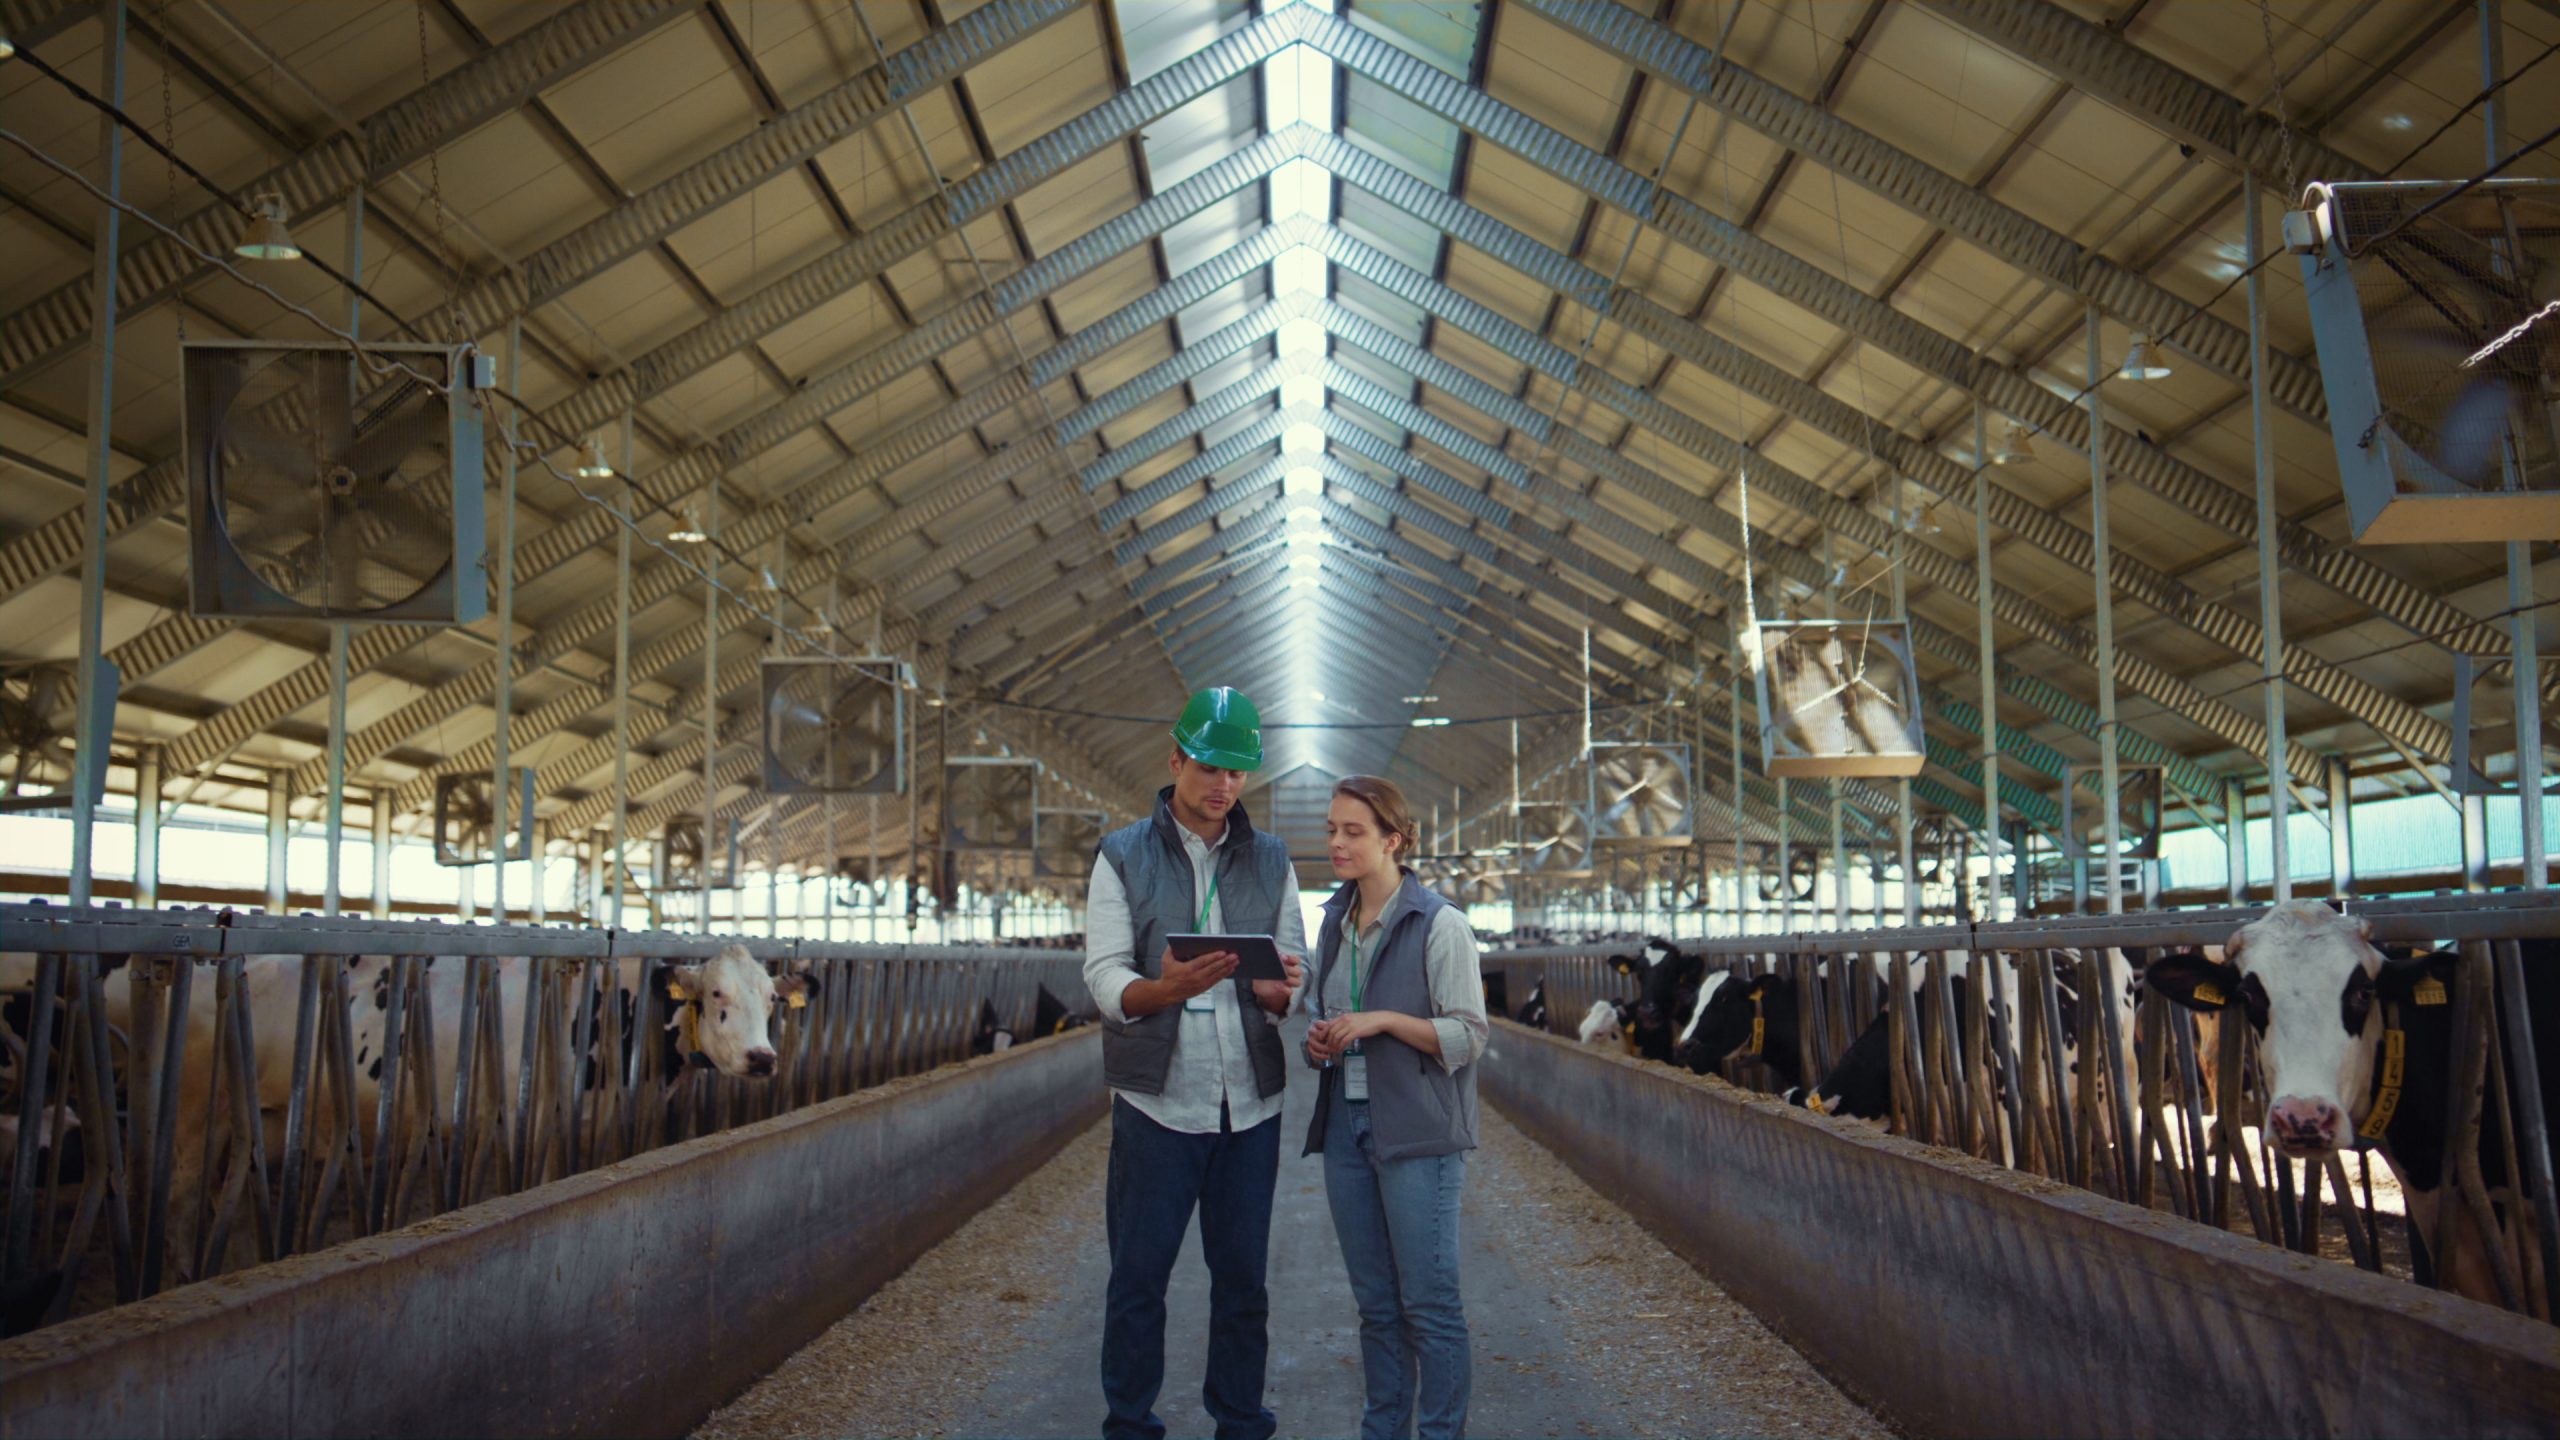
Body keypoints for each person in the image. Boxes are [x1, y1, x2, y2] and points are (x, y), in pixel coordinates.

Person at [1082, 686, 1307, 1440]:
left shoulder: (1272, 860)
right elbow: (1105, 974)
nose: (1224, 787)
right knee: (1139, 1278)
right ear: (1176, 758)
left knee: (1242, 1282)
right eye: (1211, 768)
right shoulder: (1121, 855)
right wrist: (1162, 990)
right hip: (1157, 1102)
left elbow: (1293, 966)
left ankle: (1241, 1420)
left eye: (1238, 774)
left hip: (1249, 1103)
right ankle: (1130, 1422)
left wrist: (1282, 992)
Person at [1303, 774, 1488, 1440]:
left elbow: (1469, 1036)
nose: (1338, 843)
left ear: (1396, 840)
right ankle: (1382, 1431)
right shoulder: (1333, 922)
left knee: (1429, 1305)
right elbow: (1327, 1020)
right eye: (1332, 829)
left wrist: (1382, 1019)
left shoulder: (1441, 926)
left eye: (1354, 831)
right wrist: (1322, 1042)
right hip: (1349, 1131)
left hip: (1418, 1135)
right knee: (1376, 1307)